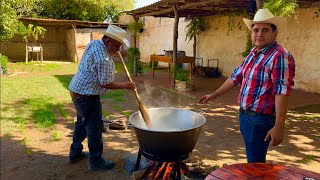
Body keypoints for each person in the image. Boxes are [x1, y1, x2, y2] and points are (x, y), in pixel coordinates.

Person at [199, 8, 295, 163]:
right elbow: (236, 77)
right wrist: (214, 95)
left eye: (265, 30)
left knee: (255, 163)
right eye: (255, 30)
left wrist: (279, 126)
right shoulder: (254, 52)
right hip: (245, 116)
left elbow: (281, 91)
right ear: (251, 33)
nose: (259, 34)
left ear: (275, 33)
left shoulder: (279, 56)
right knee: (253, 159)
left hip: (260, 120)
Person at [68, 25, 136, 171]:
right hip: (86, 96)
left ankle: (75, 152)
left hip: (76, 90)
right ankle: (96, 161)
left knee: (81, 123)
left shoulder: (95, 43)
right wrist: (126, 85)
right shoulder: (104, 59)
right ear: (109, 41)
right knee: (94, 128)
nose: (118, 50)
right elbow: (106, 83)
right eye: (117, 45)